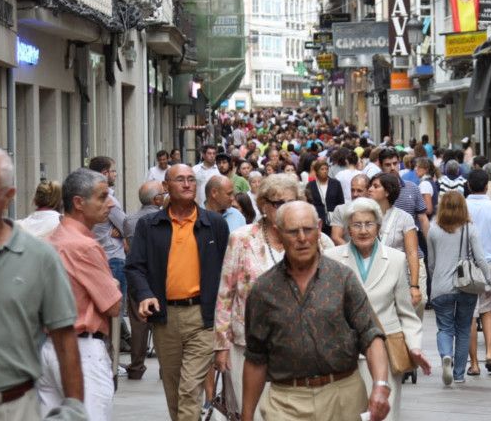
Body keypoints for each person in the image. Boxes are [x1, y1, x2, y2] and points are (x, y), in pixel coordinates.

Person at [240, 201, 392, 421]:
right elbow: (255, 357)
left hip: (342, 395)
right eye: (293, 231)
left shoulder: (342, 278)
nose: (302, 238)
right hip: (286, 401)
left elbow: (370, 334)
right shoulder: (264, 290)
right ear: (278, 233)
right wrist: (247, 415)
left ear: (319, 228)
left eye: (308, 229)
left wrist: (380, 385)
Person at [0, 145, 84, 421]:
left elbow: (65, 339)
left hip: (15, 407)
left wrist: (73, 409)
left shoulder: (40, 258)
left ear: (8, 197)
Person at [125, 163, 230, 421]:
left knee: (189, 389)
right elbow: (135, 267)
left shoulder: (214, 224)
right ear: (165, 186)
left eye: (191, 180)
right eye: (180, 179)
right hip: (166, 319)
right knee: (174, 391)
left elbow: (227, 272)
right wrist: (146, 293)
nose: (187, 184)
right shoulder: (149, 225)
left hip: (202, 317)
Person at [325, 198, 432, 419]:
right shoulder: (332, 258)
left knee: (384, 416)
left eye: (369, 224)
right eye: (356, 225)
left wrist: (414, 347)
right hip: (345, 356)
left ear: (378, 226)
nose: (363, 230)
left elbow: (405, 312)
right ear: (347, 229)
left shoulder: (395, 258)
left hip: (386, 354)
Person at [38, 168, 123, 420]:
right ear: (78, 203)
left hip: (47, 349)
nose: (110, 204)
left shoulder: (52, 240)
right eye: (102, 196)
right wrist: (114, 284)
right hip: (82, 350)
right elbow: (114, 306)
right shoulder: (84, 246)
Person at [214, 174, 299, 420]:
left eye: (290, 203)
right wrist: (221, 346)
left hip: (297, 345)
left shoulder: (310, 238)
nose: (284, 209)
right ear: (263, 205)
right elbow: (225, 294)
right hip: (247, 344)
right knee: (250, 412)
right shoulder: (241, 238)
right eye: (277, 203)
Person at [427, 192, 491, 386]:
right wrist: (488, 280)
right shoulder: (470, 229)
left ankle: (446, 355)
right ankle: (459, 374)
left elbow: (431, 262)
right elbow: (480, 258)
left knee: (444, 327)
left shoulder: (433, 230)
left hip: (441, 286)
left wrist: (435, 278)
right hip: (466, 286)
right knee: (463, 328)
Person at [464, 169, 491, 376]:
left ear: (469, 185)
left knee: (471, 315)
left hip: (468, 266)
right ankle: (490, 352)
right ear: (486, 185)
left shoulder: (462, 206)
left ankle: (474, 363)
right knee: (489, 310)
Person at [122, 180, 163, 380]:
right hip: (159, 274)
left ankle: (137, 366)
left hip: (136, 274)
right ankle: (166, 367)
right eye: (162, 195)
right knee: (162, 322)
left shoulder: (129, 220)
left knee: (138, 323)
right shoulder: (162, 219)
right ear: (156, 199)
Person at [88, 156, 129, 349]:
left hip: (100, 258)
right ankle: (110, 358)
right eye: (113, 171)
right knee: (114, 314)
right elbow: (127, 225)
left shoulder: (90, 196)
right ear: (104, 173)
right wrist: (120, 232)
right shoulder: (109, 199)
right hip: (114, 258)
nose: (115, 174)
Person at [369, 173, 425, 309]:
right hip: (372, 277)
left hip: (397, 278)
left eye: (375, 186)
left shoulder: (404, 218)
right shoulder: (365, 216)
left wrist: (414, 285)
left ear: (387, 192)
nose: (370, 189)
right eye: (370, 186)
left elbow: (412, 253)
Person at [330, 174, 371, 245]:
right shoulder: (341, 210)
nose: (355, 194)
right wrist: (352, 252)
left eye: (359, 191)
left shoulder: (374, 210)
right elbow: (336, 237)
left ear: (368, 191)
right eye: (352, 190)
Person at [306, 158, 345, 229]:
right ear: (317, 171)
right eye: (322, 169)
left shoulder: (335, 183)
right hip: (317, 218)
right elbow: (308, 203)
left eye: (326, 169)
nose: (325, 171)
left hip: (334, 218)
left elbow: (341, 202)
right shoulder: (311, 185)